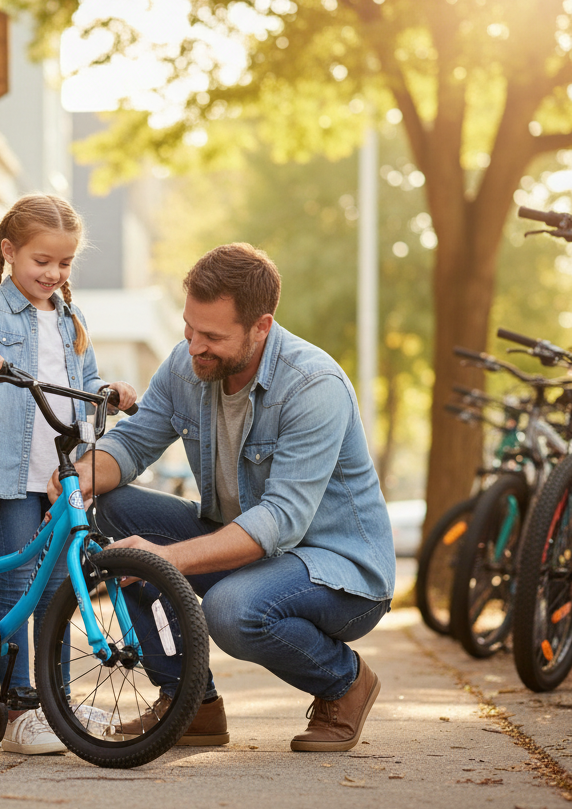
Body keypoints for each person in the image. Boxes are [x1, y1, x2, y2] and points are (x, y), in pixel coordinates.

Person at [47, 243, 395, 752]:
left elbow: (280, 520)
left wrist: (168, 558)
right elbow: (134, 442)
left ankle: (344, 683)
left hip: (336, 571)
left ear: (262, 327)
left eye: (212, 336)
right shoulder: (188, 364)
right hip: (240, 544)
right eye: (190, 329)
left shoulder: (313, 386)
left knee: (232, 611)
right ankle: (193, 705)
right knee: (110, 508)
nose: (194, 347)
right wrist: (80, 478)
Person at [0, 194, 137, 756]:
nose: (52, 273)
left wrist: (112, 394)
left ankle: (56, 702)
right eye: (41, 261)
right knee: (22, 584)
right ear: (9, 252)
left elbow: (86, 380)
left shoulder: (71, 317)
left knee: (61, 588)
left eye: (64, 263)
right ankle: (20, 705)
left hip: (61, 477)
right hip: (9, 475)